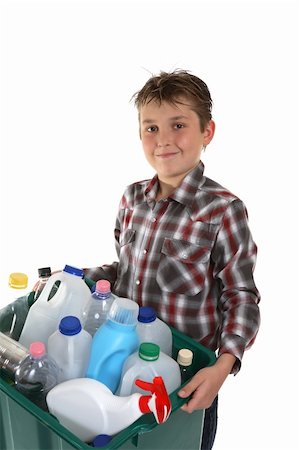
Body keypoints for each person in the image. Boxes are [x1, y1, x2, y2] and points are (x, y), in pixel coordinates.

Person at [57, 70, 261, 449]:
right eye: (151, 128)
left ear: (207, 132)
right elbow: (124, 271)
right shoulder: (132, 198)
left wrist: (224, 364)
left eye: (178, 125)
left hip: (185, 379)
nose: (163, 140)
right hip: (124, 362)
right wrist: (73, 277)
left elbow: (241, 295)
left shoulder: (223, 210)